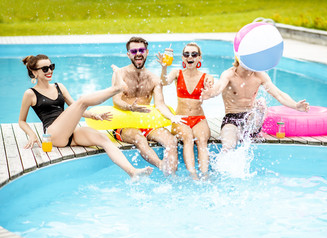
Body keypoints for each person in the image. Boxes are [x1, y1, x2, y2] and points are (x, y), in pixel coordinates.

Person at [19, 54, 153, 179]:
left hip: (71, 131)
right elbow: (22, 121)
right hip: (53, 134)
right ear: (35, 72)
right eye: (45, 68)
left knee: (104, 140)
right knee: (82, 100)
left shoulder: (59, 86)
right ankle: (116, 89)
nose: (49, 71)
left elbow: (75, 108)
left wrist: (94, 116)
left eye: (51, 67)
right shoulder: (30, 93)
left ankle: (132, 171)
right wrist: (32, 134)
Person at [201, 57, 310, 152]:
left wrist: (295, 106)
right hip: (231, 119)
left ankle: (247, 133)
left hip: (251, 119)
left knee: (261, 102)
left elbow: (278, 94)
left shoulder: (260, 76)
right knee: (228, 147)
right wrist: (210, 93)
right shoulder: (229, 74)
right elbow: (218, 88)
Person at [111, 36, 182, 175]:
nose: (138, 53)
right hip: (125, 124)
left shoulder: (154, 79)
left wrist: (172, 117)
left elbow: (160, 105)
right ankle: (161, 165)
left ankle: (172, 177)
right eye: (134, 51)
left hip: (147, 123)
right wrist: (130, 108)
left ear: (147, 52)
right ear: (128, 54)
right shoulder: (120, 74)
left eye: (141, 50)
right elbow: (116, 100)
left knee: (171, 140)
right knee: (139, 138)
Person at [157, 42, 214, 180]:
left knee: (201, 140)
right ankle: (193, 174)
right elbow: (164, 82)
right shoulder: (176, 73)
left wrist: (209, 90)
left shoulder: (206, 77)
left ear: (199, 58)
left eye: (194, 54)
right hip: (180, 118)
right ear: (182, 58)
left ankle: (205, 174)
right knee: (188, 137)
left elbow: (212, 90)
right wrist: (164, 68)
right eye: (186, 54)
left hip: (199, 118)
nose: (190, 57)